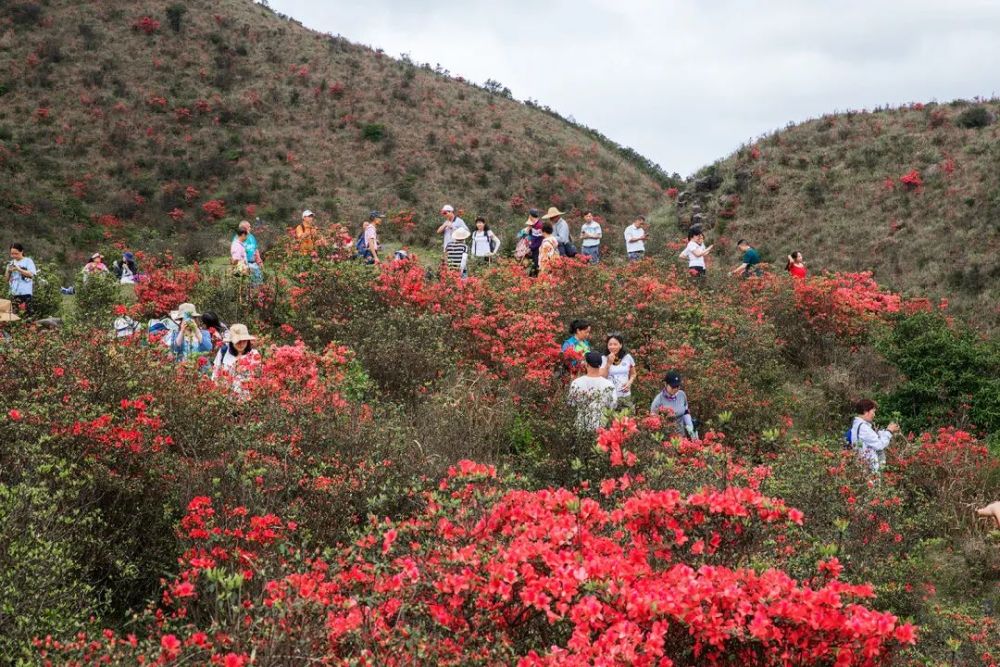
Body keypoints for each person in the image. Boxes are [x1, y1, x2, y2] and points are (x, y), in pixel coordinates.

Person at [569, 351, 618, 431]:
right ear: (600, 365)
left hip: (581, 425)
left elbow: (571, 404)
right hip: (602, 427)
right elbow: (613, 405)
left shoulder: (576, 383)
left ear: (586, 364)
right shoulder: (609, 384)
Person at [848, 399, 900, 473]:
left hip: (863, 468)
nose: (874, 415)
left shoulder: (857, 425)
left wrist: (886, 431)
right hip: (869, 470)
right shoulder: (864, 428)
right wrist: (889, 431)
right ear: (866, 411)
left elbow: (872, 438)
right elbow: (879, 445)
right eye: (873, 412)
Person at [212, 323, 260, 396]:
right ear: (231, 342)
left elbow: (257, 378)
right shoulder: (223, 351)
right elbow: (215, 374)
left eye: (244, 341)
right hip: (224, 398)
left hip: (247, 399)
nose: (241, 344)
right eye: (238, 341)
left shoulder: (254, 354)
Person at [650, 371, 698, 439]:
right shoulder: (658, 401)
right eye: (673, 386)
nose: (675, 389)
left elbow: (685, 412)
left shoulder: (682, 395)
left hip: (681, 436)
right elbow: (653, 424)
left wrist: (691, 430)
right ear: (665, 384)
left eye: (677, 386)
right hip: (666, 439)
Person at [600, 333, 637, 408]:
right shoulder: (603, 358)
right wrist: (608, 363)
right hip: (609, 396)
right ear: (607, 346)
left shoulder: (627, 357)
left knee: (626, 418)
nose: (612, 347)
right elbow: (602, 377)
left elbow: (633, 374)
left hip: (625, 395)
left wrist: (629, 383)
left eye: (615, 344)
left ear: (620, 345)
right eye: (610, 344)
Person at [6, 243, 36, 314]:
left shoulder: (28, 261)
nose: (14, 256)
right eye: (12, 254)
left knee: (27, 314)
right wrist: (9, 271)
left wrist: (19, 269)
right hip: (13, 292)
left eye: (16, 253)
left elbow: (31, 274)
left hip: (25, 292)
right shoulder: (10, 263)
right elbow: (6, 279)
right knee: (14, 314)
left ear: (21, 251)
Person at [524, 208, 543, 273]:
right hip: (532, 248)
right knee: (532, 265)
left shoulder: (539, 225)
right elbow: (530, 236)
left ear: (530, 215)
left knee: (536, 265)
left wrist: (531, 248)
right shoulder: (532, 225)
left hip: (537, 249)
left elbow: (539, 241)